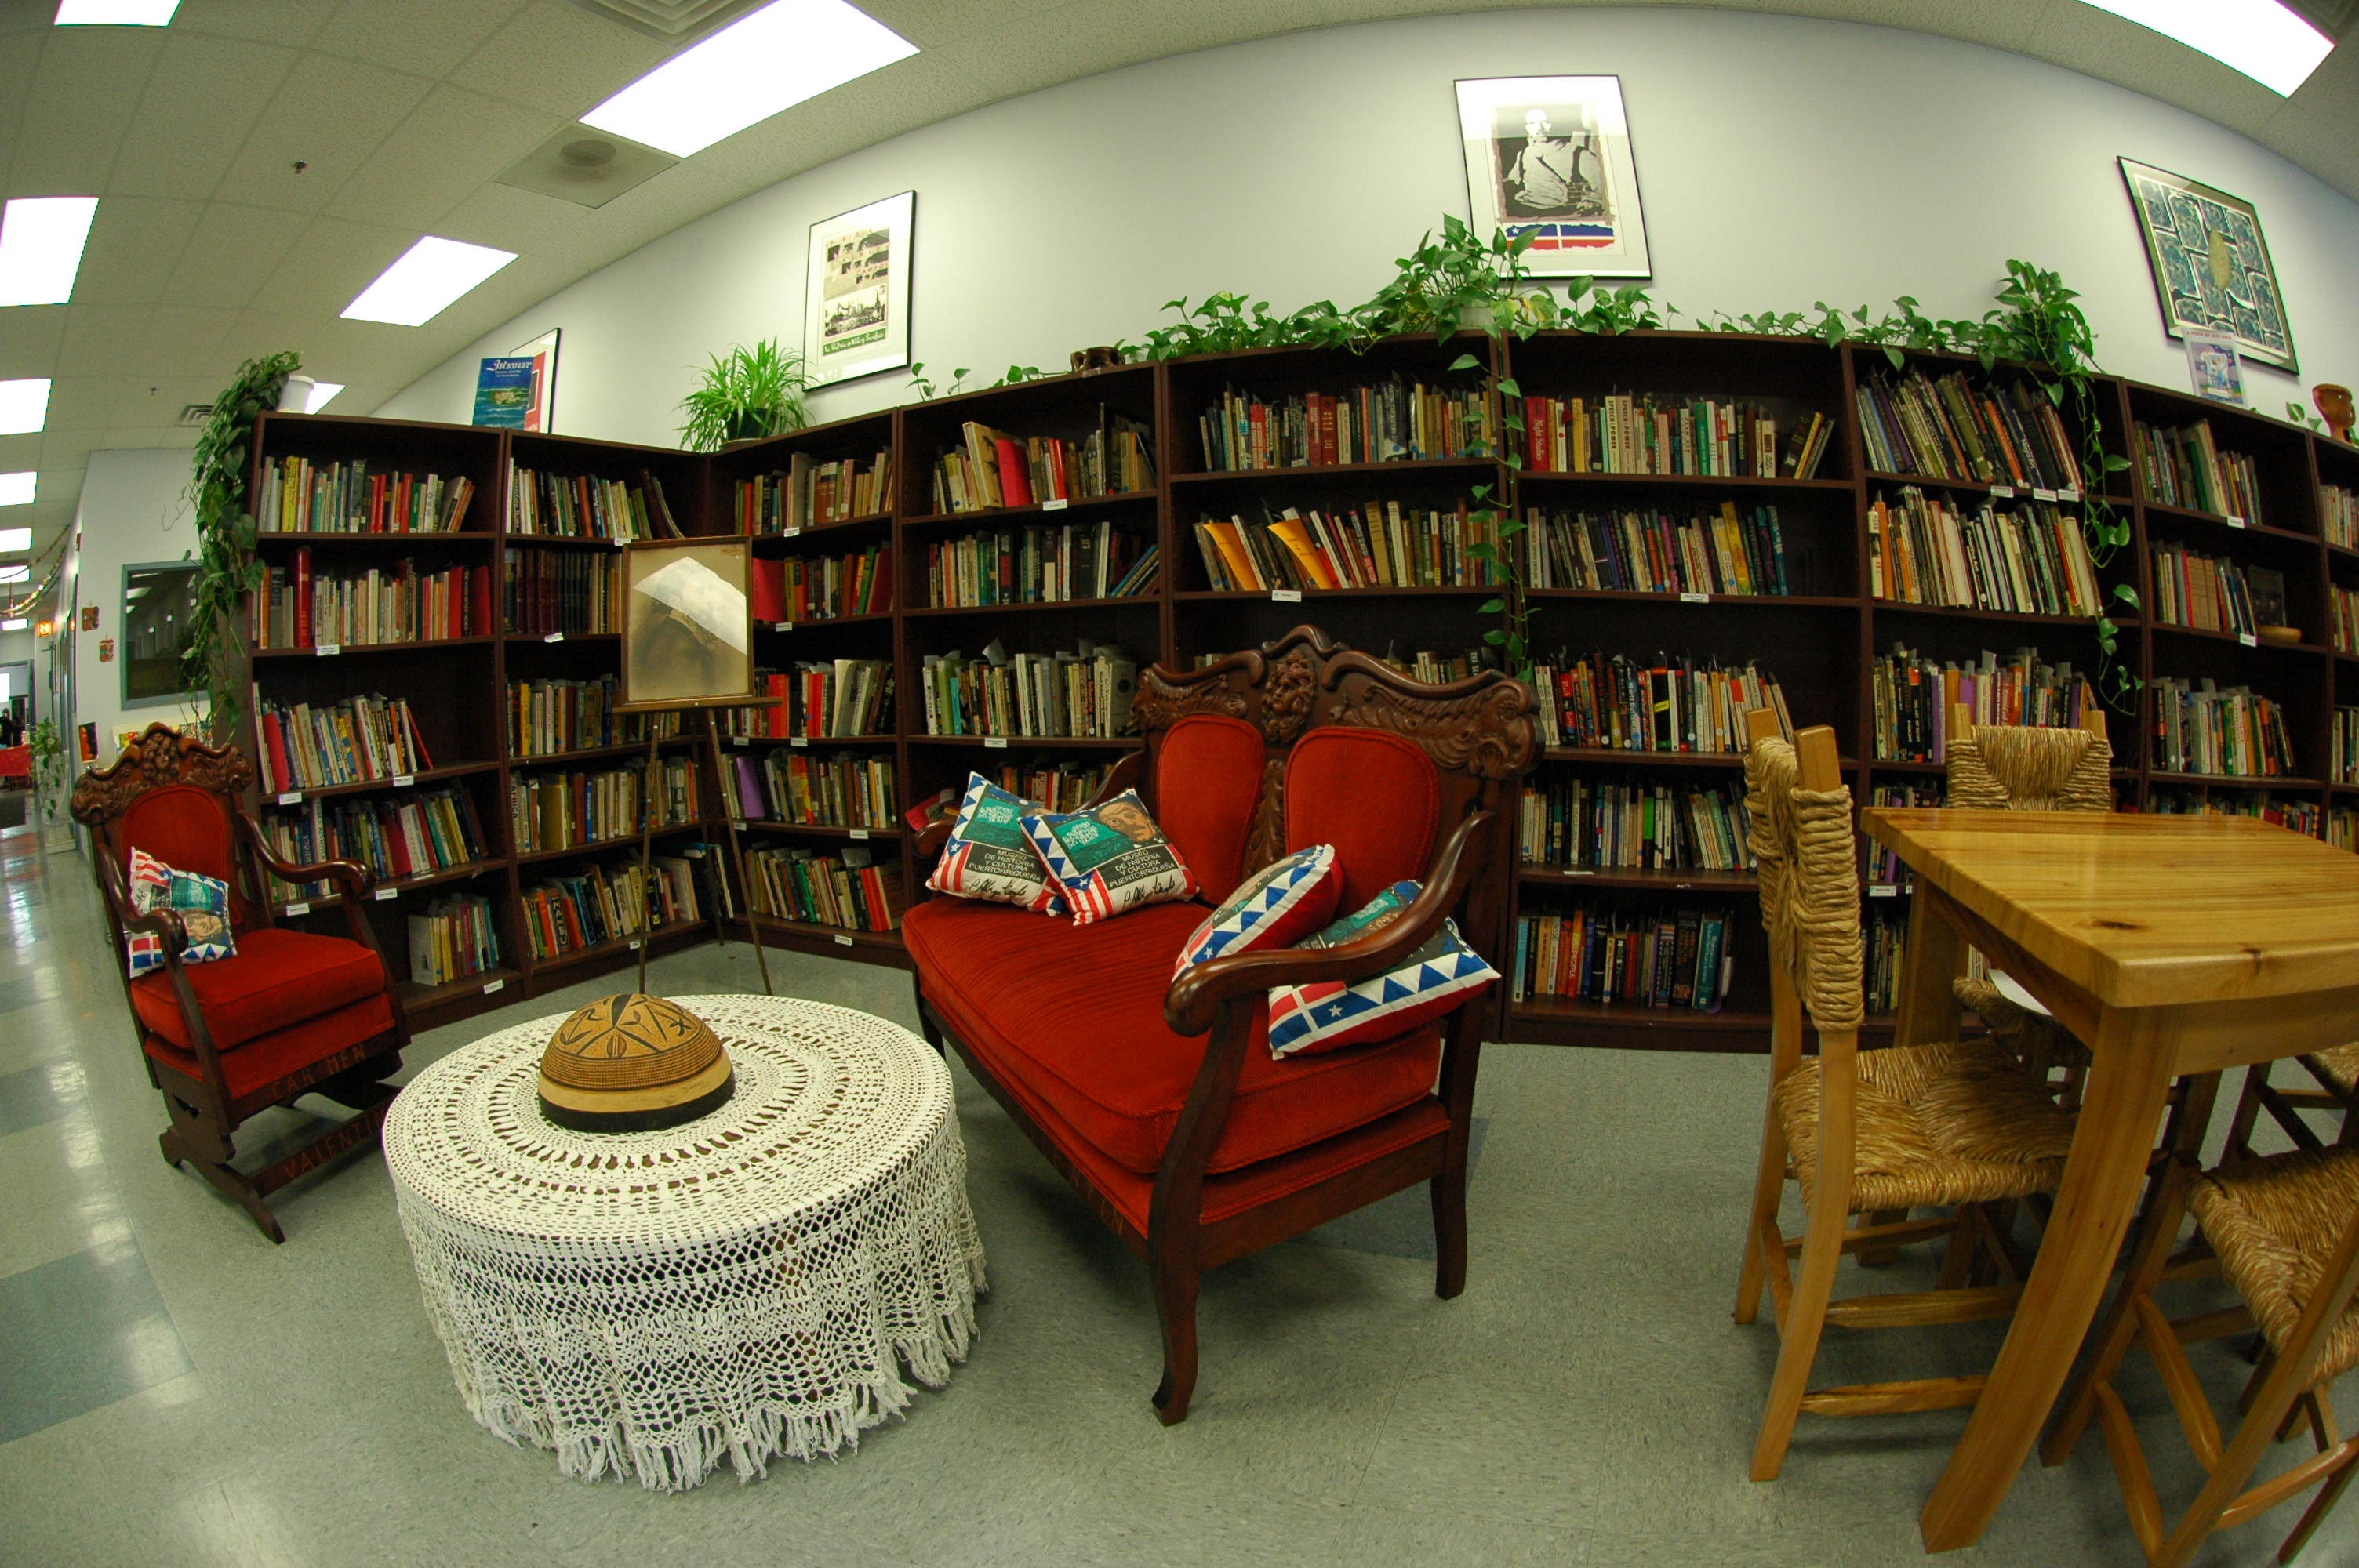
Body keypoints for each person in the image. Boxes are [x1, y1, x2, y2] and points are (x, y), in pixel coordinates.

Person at [1503, 107, 1603, 217]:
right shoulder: (1525, 154)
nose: (1539, 128)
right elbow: (1513, 181)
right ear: (1527, 128)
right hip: (1526, 210)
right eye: (1532, 123)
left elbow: (1603, 189)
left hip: (1564, 214)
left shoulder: (1579, 154)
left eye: (1545, 122)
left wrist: (1586, 204)